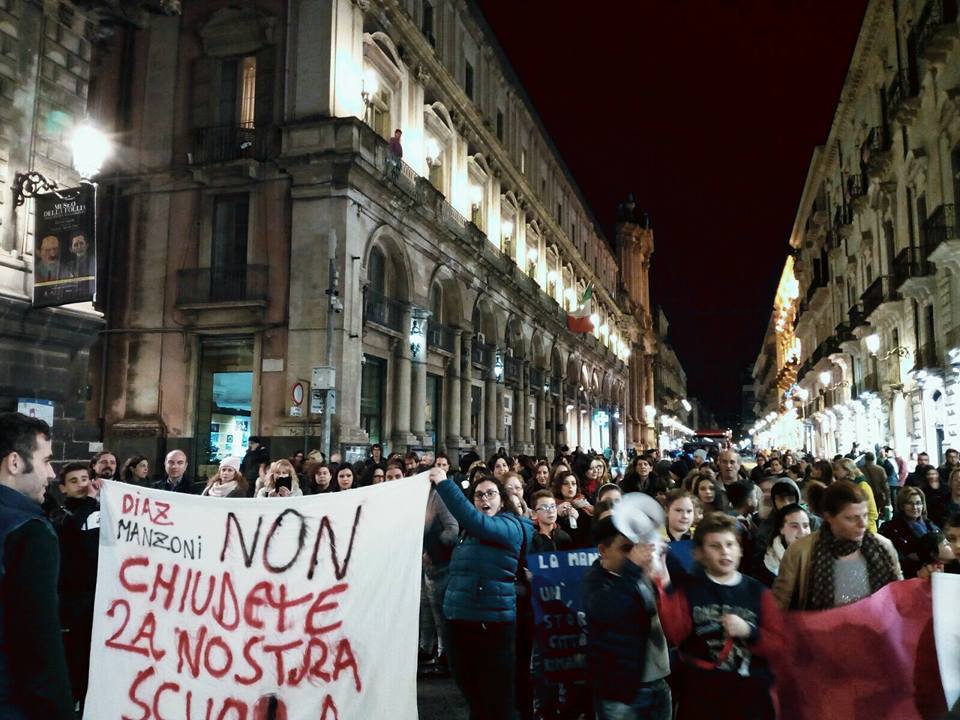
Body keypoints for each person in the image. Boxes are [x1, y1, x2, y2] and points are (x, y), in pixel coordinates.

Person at [656, 512, 782, 720]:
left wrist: (749, 631)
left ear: (740, 549)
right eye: (715, 546)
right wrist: (663, 583)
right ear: (700, 553)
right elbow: (675, 633)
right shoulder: (688, 590)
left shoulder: (759, 593)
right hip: (701, 699)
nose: (725, 552)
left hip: (751, 700)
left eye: (730, 544)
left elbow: (780, 646)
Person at [430, 467, 533, 720]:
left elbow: (473, 520)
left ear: (502, 499)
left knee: (496, 698)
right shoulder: (469, 533)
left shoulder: (510, 526)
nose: (484, 499)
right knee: (471, 690)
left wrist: (445, 484)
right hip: (459, 619)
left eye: (490, 494)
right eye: (478, 495)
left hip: (492, 624)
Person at [0, 412, 75, 718]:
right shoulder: (28, 531)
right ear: (15, 462)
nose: (52, 474)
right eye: (46, 461)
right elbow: (39, 645)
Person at [584, 516, 671, 720]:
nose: (634, 554)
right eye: (625, 548)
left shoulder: (644, 573)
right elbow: (611, 611)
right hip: (620, 691)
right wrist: (632, 569)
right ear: (603, 550)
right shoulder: (594, 580)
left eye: (636, 547)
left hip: (657, 681)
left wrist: (664, 583)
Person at [772, 480, 901, 610]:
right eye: (851, 518)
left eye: (865, 515)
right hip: (820, 628)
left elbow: (899, 594)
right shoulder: (801, 551)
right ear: (829, 517)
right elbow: (780, 603)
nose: (862, 524)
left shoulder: (883, 547)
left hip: (878, 626)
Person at [55, 463, 101, 709]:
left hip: (100, 597)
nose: (82, 484)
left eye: (85, 478)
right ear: (63, 487)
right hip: (74, 602)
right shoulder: (60, 514)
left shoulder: (101, 508)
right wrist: (91, 501)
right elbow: (70, 531)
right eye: (74, 481)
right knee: (75, 658)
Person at [420, 465, 459, 677]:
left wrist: (432, 550)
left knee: (441, 613)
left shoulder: (438, 498)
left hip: (441, 566)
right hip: (426, 567)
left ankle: (446, 656)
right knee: (427, 611)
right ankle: (430, 650)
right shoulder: (420, 498)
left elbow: (452, 530)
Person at [879, 486, 941, 579]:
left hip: (933, 575)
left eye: (918, 503)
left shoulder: (931, 526)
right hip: (906, 577)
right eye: (909, 503)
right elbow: (888, 557)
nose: (915, 507)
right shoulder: (890, 528)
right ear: (902, 505)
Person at [756, 503, 812, 586]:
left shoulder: (820, 558)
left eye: (806, 526)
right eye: (794, 526)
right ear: (781, 529)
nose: (802, 532)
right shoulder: (764, 563)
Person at [833, 457, 879, 533]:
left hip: (866, 532)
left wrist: (863, 528)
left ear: (847, 470)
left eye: (837, 469)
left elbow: (873, 513)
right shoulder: (841, 486)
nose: (835, 472)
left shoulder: (862, 486)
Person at [552, 470, 593, 548]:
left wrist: (578, 518)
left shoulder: (586, 505)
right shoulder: (553, 507)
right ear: (559, 486)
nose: (570, 486)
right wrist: (558, 516)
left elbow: (589, 534)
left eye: (573, 484)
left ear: (577, 487)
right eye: (565, 483)